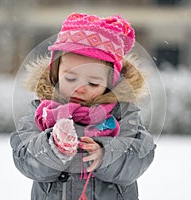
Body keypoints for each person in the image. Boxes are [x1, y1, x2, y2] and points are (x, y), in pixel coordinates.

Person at [10, 13, 156, 200]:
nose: (79, 89)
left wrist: (106, 154)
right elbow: (24, 157)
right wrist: (52, 148)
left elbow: (140, 154)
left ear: (109, 83)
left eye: (93, 83)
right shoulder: (43, 111)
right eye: (70, 78)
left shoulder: (122, 112)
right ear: (56, 74)